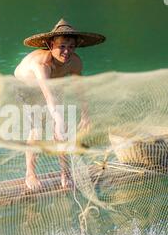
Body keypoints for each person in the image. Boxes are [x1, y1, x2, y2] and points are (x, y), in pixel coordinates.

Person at [14, 19, 105, 190]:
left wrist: (86, 114)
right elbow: (48, 96)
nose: (67, 51)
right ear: (50, 44)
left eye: (71, 47)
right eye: (62, 46)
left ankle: (66, 173)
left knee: (62, 128)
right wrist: (57, 121)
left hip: (54, 84)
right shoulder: (42, 64)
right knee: (38, 128)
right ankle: (30, 173)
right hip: (28, 88)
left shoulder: (75, 62)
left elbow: (80, 89)